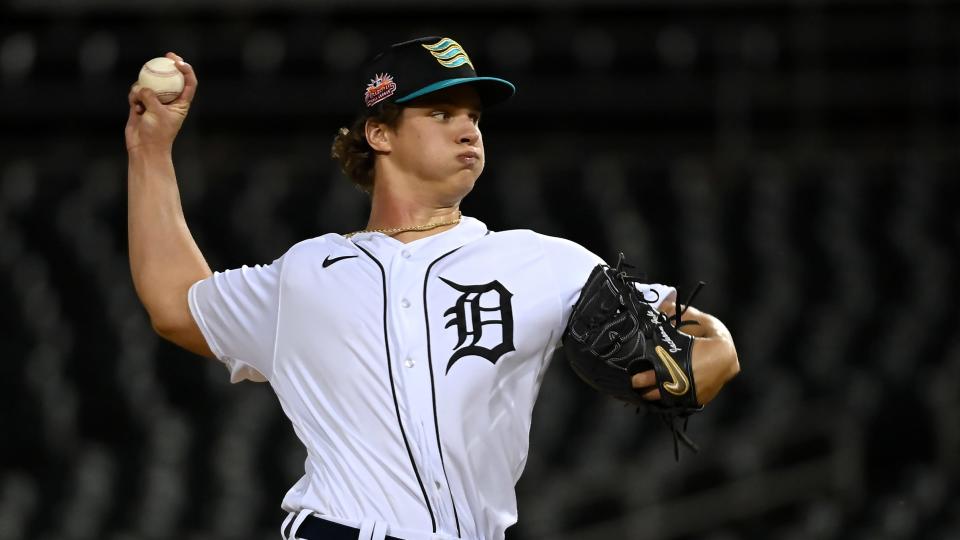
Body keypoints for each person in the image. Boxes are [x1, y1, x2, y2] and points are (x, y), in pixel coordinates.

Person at [125, 36, 739, 540]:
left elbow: (685, 326)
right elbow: (176, 303)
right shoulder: (306, 274)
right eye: (441, 114)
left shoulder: (540, 261)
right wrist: (150, 152)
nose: (468, 130)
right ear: (380, 134)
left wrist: (721, 349)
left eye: (473, 116)